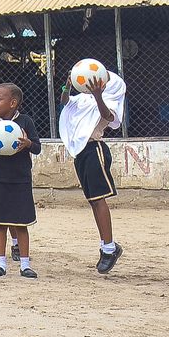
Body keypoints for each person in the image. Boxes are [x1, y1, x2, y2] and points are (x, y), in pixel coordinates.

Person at [59, 71, 127, 274]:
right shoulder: (82, 99)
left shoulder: (109, 101)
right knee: (93, 201)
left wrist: (98, 95)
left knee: (99, 200)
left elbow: (108, 117)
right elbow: (65, 102)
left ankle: (109, 248)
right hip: (81, 152)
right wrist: (67, 86)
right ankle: (107, 246)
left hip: (95, 150)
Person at [0, 84, 42, 279]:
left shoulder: (25, 121)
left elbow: (37, 148)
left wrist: (28, 143)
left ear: (13, 103)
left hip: (20, 179)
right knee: (0, 223)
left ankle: (25, 265)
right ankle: (1, 264)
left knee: (21, 223)